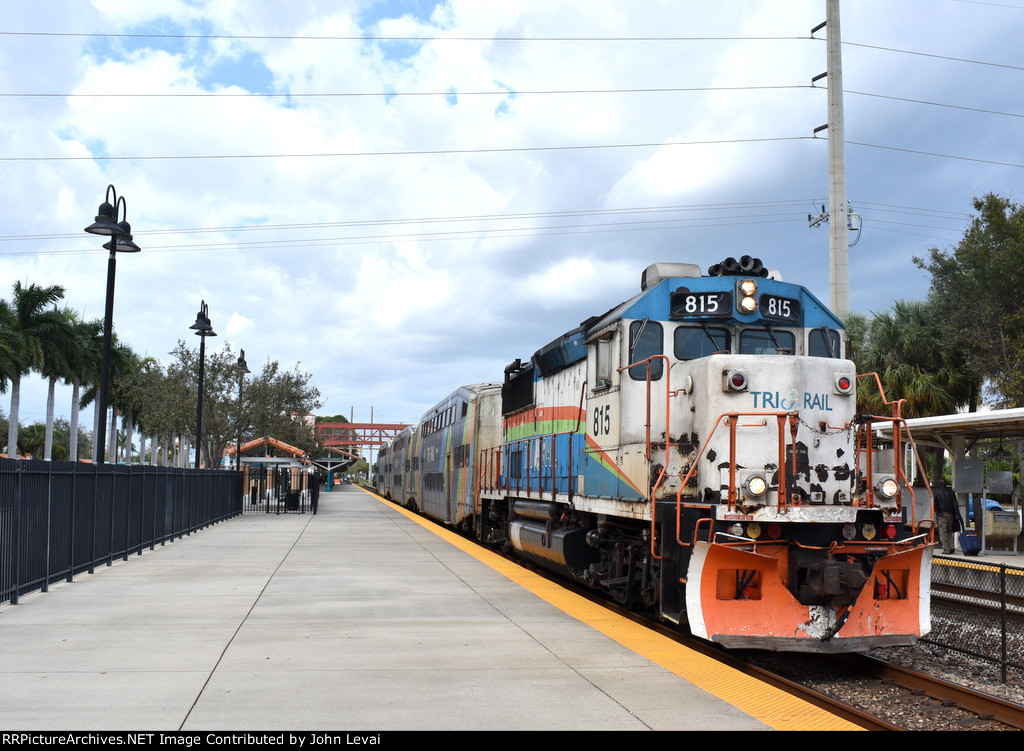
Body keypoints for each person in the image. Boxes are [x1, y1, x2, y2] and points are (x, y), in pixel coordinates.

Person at [932, 478, 960, 555]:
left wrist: (938, 512)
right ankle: (951, 548)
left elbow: (934, 503)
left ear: (939, 484)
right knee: (950, 531)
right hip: (950, 514)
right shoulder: (951, 492)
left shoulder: (936, 492)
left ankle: (946, 549)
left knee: (943, 532)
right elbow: (955, 504)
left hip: (942, 514)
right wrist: (956, 514)